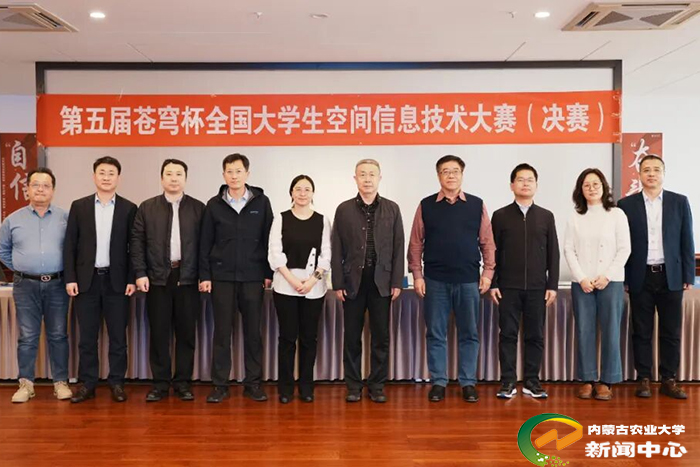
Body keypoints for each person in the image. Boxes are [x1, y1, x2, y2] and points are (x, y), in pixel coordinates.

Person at [408, 155, 495, 403]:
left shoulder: (476, 204)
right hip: (435, 281)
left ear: (462, 174)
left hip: (468, 280)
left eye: (455, 171)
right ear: (439, 176)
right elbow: (415, 243)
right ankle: (438, 382)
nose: (451, 175)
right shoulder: (426, 205)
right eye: (445, 171)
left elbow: (487, 242)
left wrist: (488, 273)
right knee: (436, 334)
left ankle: (468, 382)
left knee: (469, 333)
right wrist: (417, 275)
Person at [618, 155, 695, 399]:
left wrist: (688, 274)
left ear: (663, 173)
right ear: (639, 174)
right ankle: (643, 378)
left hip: (670, 275)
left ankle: (668, 379)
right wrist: (625, 277)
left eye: (656, 170)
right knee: (641, 330)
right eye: (646, 170)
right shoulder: (626, 205)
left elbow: (687, 239)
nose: (651, 174)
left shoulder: (679, 202)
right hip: (640, 275)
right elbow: (622, 243)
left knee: (671, 331)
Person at [200, 153, 274, 403]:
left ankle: (253, 384)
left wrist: (267, 273)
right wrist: (205, 275)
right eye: (229, 172)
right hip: (221, 277)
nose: (234, 176)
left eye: (238, 171)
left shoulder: (261, 202)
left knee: (253, 333)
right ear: (223, 175)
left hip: (253, 277)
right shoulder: (214, 205)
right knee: (222, 333)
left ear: (247, 174)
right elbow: (205, 242)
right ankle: (220, 385)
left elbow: (269, 239)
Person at [64, 156, 137, 403]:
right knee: (87, 338)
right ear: (94, 176)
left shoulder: (129, 208)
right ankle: (88, 384)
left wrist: (131, 278)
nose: (106, 177)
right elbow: (70, 245)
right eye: (102, 173)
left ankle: (117, 383)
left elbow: (134, 247)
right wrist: (70, 277)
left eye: (111, 173)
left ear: (118, 178)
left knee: (118, 337)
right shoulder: (79, 206)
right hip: (87, 281)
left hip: (117, 282)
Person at [131, 159, 204, 402]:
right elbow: (137, 243)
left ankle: (183, 382)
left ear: (185, 178)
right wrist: (140, 272)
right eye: (169, 174)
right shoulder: (147, 207)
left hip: (188, 278)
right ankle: (160, 384)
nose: (174, 178)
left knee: (186, 334)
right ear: (162, 178)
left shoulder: (198, 208)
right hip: (157, 279)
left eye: (179, 174)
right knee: (159, 333)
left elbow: (205, 246)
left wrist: (204, 275)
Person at [332, 159, 404, 403]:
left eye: (372, 174)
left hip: (381, 281)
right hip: (352, 281)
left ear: (379, 178)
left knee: (380, 337)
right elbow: (336, 247)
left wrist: (397, 281)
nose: (367, 179)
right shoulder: (344, 210)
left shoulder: (392, 209)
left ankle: (377, 385)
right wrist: (338, 283)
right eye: (362, 174)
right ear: (355, 179)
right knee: (352, 336)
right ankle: (353, 386)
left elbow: (398, 247)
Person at [0, 167, 72, 403]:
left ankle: (60, 382)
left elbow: (73, 249)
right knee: (28, 336)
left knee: (58, 335)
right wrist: (23, 267)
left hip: (57, 283)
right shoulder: (13, 220)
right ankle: (26, 384)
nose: (41, 189)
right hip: (25, 285)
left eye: (46, 185)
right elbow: (3, 250)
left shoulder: (65, 218)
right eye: (36, 185)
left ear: (53, 190)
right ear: (27, 188)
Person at [490, 163, 560, 400]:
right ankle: (508, 381)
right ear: (512, 185)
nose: (525, 183)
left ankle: (532, 381)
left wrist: (552, 285)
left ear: (536, 185)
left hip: (538, 288)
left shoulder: (546, 216)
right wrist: (493, 282)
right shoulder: (500, 216)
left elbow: (553, 253)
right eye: (520, 179)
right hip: (508, 287)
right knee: (507, 335)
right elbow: (492, 252)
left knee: (535, 336)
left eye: (530, 179)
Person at [564, 168, 630, 401]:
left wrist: (607, 276)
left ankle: (607, 381)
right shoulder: (575, 216)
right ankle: (587, 379)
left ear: (604, 187)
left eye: (596, 184)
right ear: (580, 190)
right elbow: (569, 250)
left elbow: (624, 249)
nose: (591, 188)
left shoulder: (616, 214)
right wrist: (582, 277)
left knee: (611, 330)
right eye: (586, 185)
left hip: (610, 282)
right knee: (585, 330)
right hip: (582, 283)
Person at [268, 175, 331, 403]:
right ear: (291, 192)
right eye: (298, 189)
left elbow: (326, 255)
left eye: (307, 189)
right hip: (285, 285)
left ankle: (306, 387)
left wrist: (312, 281)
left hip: (314, 288)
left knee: (308, 338)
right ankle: (285, 388)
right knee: (287, 338)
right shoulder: (281, 218)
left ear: (313, 193)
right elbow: (275, 253)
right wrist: (293, 280)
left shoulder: (322, 220)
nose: (302, 193)